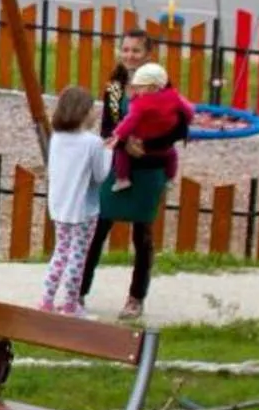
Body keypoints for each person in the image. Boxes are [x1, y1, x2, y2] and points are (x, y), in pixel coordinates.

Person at [80, 32, 188, 322]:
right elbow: (107, 128)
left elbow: (179, 127)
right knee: (98, 229)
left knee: (142, 236)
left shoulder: (160, 87)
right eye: (125, 49)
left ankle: (135, 297)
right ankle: (78, 291)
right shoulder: (115, 88)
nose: (129, 55)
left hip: (151, 168)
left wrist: (148, 147)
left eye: (136, 51)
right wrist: (126, 144)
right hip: (119, 166)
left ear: (148, 54)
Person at [40, 85, 106, 316]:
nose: (95, 113)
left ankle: (47, 300)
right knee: (77, 257)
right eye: (92, 108)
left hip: (60, 207)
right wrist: (109, 153)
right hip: (84, 209)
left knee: (60, 253)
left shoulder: (57, 138)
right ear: (84, 112)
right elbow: (101, 174)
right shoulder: (93, 143)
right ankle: (70, 304)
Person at [107, 62, 191, 192]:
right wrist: (188, 120)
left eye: (139, 87)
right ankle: (171, 178)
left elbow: (130, 121)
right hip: (164, 144)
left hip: (142, 140)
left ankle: (122, 179)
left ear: (152, 87)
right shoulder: (173, 96)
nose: (136, 90)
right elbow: (188, 110)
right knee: (172, 155)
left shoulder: (140, 103)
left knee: (121, 152)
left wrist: (118, 134)